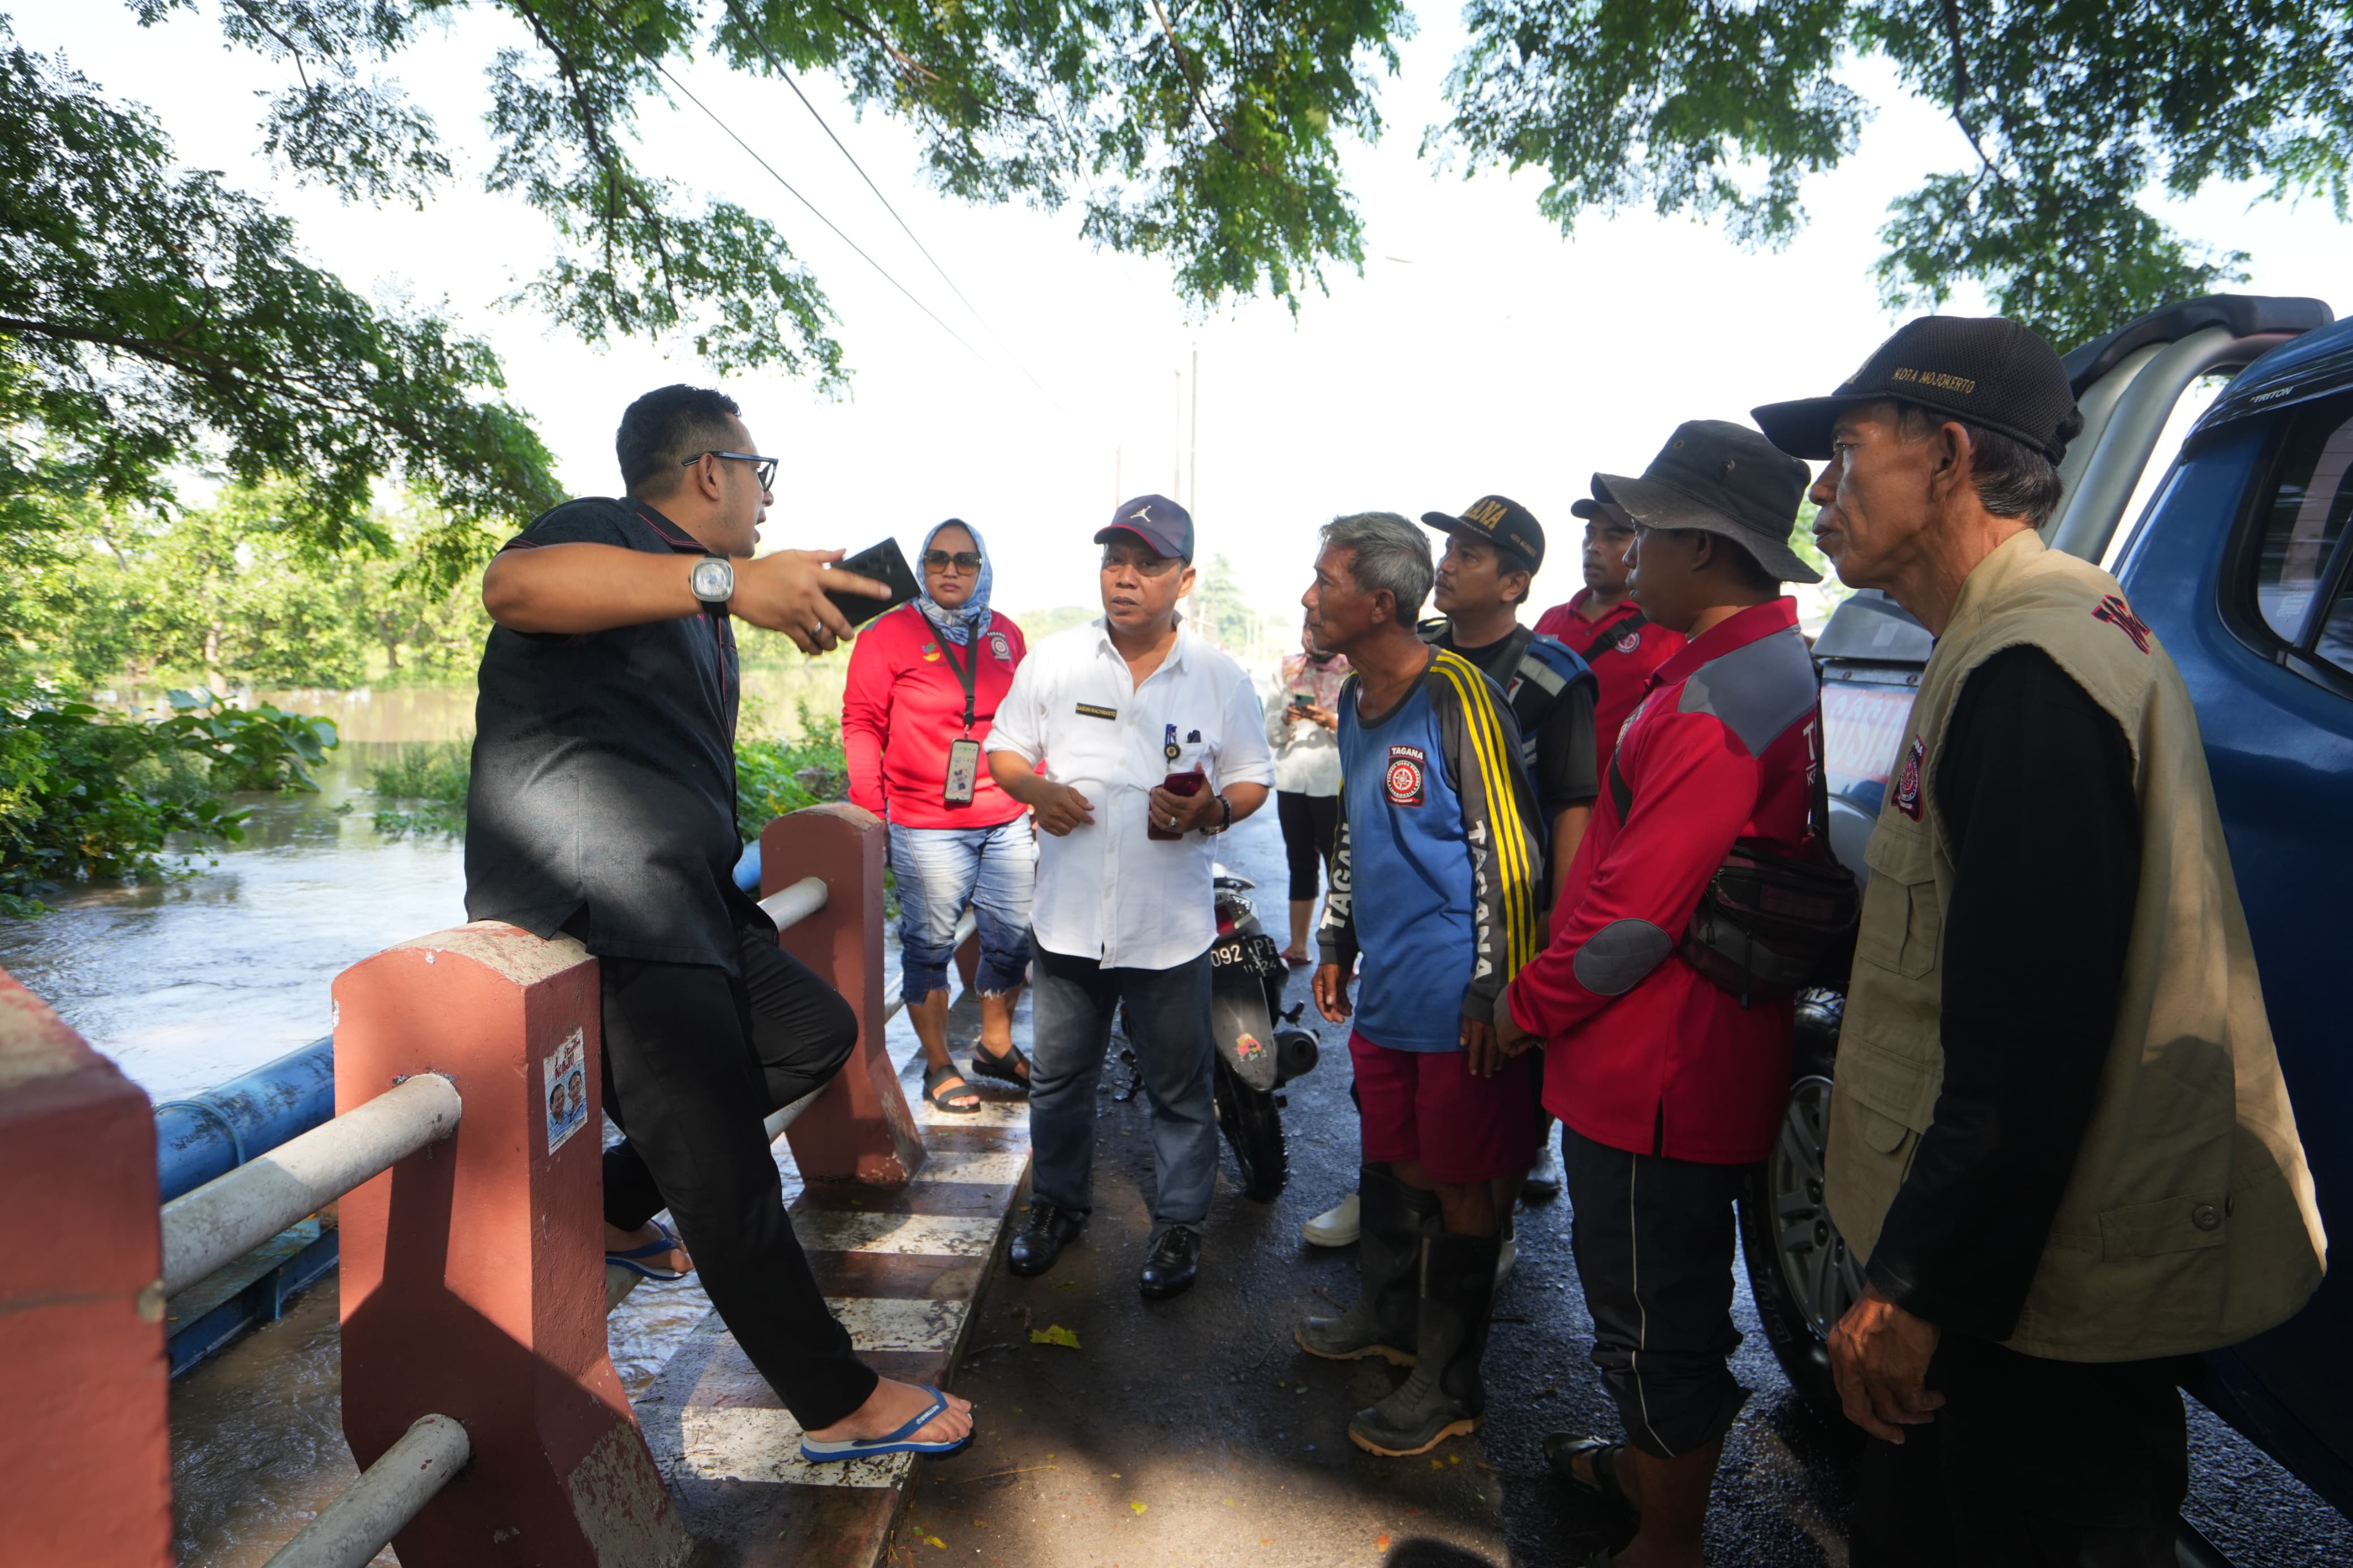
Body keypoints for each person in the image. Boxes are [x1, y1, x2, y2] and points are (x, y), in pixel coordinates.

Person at [1751, 316, 2325, 1567]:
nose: (1818, 489)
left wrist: (1912, 1293)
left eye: (1845, 453)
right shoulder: (2013, 637)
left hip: (2028, 1312)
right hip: (2006, 1289)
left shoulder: (2030, 664)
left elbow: (2027, 1045)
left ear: (1948, 456)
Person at [467, 384, 973, 1460]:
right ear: (711, 472)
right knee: (726, 1176)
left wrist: (759, 594)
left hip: (691, 892)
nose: (765, 500)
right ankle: (835, 1403)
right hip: (607, 896)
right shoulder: (605, 530)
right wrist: (730, 580)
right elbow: (512, 586)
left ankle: (612, 1200)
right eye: (760, 474)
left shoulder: (691, 600)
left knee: (814, 1032)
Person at [1494, 420, 1824, 1568]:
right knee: (1665, 1300)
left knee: (1651, 1320)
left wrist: (1523, 1005)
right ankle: (1644, 1471)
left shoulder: (1709, 698)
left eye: (1645, 530)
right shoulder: (1760, 664)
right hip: (1708, 1046)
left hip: (1657, 1070)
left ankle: (1667, 1536)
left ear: (1701, 544)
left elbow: (1633, 922)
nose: (1626, 549)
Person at [1294, 512, 1546, 1458]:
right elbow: (1356, 833)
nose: (1310, 596)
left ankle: (1449, 1382)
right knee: (1395, 1161)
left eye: (1325, 580)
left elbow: (1510, 854)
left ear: (1381, 603)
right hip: (1390, 986)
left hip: (1455, 996)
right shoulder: (1358, 698)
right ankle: (1390, 1322)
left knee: (1462, 1182)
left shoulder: (1459, 697)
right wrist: (1336, 937)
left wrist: (1496, 992)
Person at [984, 495, 1275, 1300]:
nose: (1126, 578)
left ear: (1183, 579)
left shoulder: (1217, 676)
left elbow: (1253, 777)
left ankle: (1180, 1223)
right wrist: (1038, 789)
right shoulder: (1055, 662)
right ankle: (1056, 1205)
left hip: (1169, 925)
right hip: (1071, 921)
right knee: (1059, 1079)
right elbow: (1005, 749)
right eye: (1115, 559)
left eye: (1148, 564)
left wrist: (1213, 809)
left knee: (1180, 1086)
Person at [1421, 494, 1599, 1211]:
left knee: (1491, 1059)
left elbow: (1571, 805)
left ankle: (1489, 1214)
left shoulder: (1553, 675)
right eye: (1448, 550)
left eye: (1469, 554)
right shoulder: (1417, 655)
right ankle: (1396, 1186)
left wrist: (1556, 914)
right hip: (1421, 903)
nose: (1447, 565)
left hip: (1506, 905)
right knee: (1410, 1053)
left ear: (1513, 583)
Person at [842, 518, 1033, 1115]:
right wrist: (873, 811)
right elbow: (861, 724)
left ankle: (995, 1044)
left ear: (983, 569)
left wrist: (1036, 792)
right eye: (938, 559)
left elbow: (1028, 722)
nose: (951, 570)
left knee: (1011, 938)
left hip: (1004, 813)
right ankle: (938, 1064)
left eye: (966, 561)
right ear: (922, 566)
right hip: (925, 822)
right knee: (928, 946)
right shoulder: (887, 634)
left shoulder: (1006, 636)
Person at [1535, 493, 1686, 766]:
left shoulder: (1670, 628)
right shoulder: (1550, 620)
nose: (1593, 547)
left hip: (1620, 800)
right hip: (1536, 797)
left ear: (1642, 546)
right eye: (1590, 534)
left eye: (1613, 537)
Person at [1266, 619, 1350, 964]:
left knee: (1339, 871)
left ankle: (1341, 953)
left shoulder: (1353, 669)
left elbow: (1362, 729)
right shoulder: (1287, 669)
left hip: (1333, 783)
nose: (1311, 636)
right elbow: (1271, 734)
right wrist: (1286, 719)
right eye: (1307, 629)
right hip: (1291, 780)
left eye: (1318, 628)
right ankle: (1298, 946)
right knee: (1299, 863)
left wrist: (1329, 720)